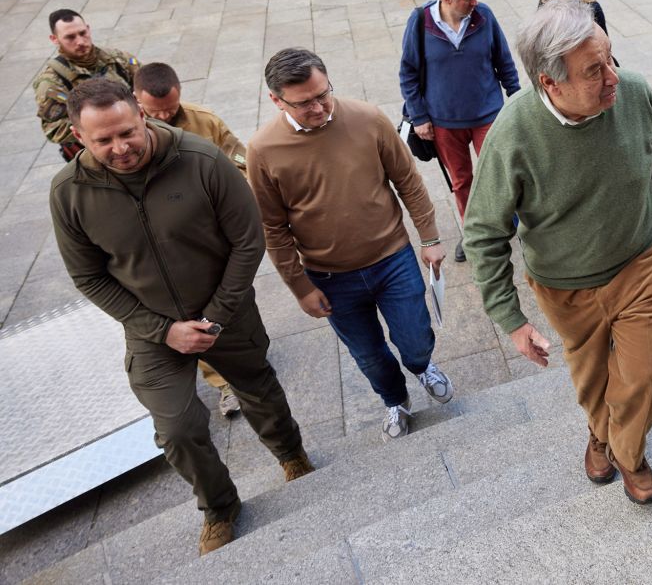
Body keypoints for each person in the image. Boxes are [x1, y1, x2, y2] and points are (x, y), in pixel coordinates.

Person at [49, 79, 312, 556]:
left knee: (259, 391)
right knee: (176, 429)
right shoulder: (69, 192)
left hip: (226, 312)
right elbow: (88, 277)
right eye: (103, 140)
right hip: (151, 331)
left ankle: (292, 456)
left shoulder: (202, 161)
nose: (120, 147)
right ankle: (219, 508)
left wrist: (214, 317)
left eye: (127, 132)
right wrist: (162, 330)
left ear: (143, 116)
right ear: (78, 136)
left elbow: (248, 241)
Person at [463, 0, 652, 506]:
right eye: (594, 71)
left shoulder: (634, 94)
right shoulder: (512, 134)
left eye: (610, 58)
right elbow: (483, 233)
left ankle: (629, 456)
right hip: (566, 287)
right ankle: (601, 435)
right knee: (594, 385)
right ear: (550, 82)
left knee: (647, 374)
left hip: (640, 262)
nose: (613, 76)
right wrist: (512, 319)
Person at [248, 48, 453, 441]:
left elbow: (408, 180)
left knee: (414, 339)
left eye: (324, 93)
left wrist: (429, 237)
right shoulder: (263, 150)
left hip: (392, 256)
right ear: (276, 100)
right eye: (304, 102)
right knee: (369, 357)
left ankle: (422, 366)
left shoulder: (368, 118)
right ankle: (395, 400)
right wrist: (300, 287)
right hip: (329, 277)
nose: (320, 106)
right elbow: (272, 228)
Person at [133, 61, 249, 418]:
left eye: (171, 107)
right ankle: (223, 383)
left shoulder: (204, 121)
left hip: (210, 234)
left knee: (227, 299)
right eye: (156, 111)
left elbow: (241, 163)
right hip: (163, 244)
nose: (165, 115)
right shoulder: (127, 134)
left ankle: (244, 361)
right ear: (137, 101)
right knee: (186, 312)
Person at [400, 0, 521, 263]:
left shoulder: (485, 17)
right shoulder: (419, 23)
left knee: (500, 173)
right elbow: (408, 74)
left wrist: (517, 101)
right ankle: (473, 234)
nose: (475, 1)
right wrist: (419, 117)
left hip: (487, 114)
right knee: (461, 181)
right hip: (444, 122)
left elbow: (504, 61)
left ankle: (506, 221)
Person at [33, 9, 139, 162]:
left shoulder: (118, 59)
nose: (80, 41)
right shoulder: (51, 82)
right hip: (97, 155)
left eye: (82, 33)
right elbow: (54, 129)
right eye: (70, 37)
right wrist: (97, 129)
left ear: (88, 29)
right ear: (54, 39)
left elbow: (146, 86)